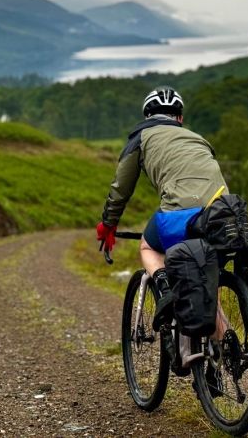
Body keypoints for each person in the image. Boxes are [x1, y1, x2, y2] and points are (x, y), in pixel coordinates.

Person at [96, 86, 227, 328]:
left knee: (148, 246)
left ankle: (165, 286)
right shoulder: (198, 139)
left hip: (180, 214)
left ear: (147, 116)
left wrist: (109, 224)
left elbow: (120, 190)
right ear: (180, 118)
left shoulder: (141, 138)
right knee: (208, 282)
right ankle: (225, 349)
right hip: (223, 214)